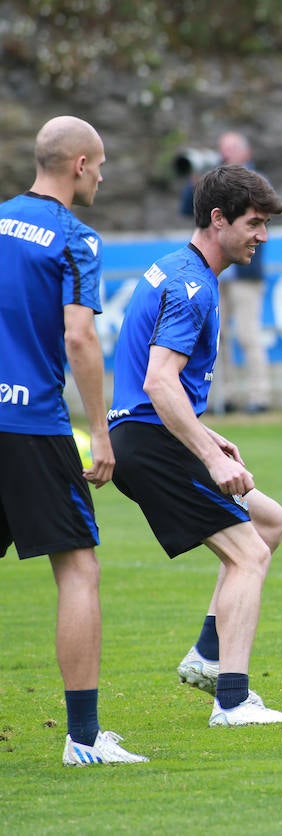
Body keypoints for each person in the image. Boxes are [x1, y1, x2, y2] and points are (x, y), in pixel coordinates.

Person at [109, 164, 282, 726]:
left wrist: (210, 435)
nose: (261, 236)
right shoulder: (193, 287)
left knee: (269, 521)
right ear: (217, 220)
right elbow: (158, 382)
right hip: (152, 442)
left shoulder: (178, 269)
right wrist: (207, 454)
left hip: (147, 432)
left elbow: (152, 384)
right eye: (254, 223)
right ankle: (233, 700)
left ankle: (207, 654)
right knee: (249, 555)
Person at [0, 117, 147, 765]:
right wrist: (100, 430)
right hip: (31, 424)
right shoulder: (74, 239)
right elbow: (81, 338)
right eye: (103, 164)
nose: (105, 175)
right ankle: (83, 741)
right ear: (80, 164)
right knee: (79, 568)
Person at [181, 131, 271, 415]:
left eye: (231, 149)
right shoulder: (215, 183)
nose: (225, 154)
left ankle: (259, 395)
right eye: (222, 149)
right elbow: (188, 209)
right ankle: (226, 396)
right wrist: (198, 180)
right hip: (217, 272)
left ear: (246, 152)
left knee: (247, 333)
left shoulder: (257, 183)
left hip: (246, 273)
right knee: (218, 337)